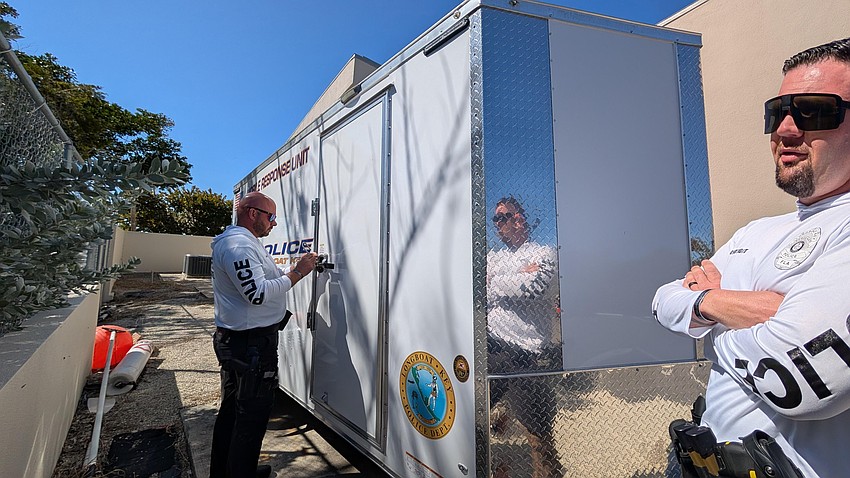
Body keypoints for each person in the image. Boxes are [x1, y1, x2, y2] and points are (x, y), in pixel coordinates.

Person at [653, 37, 850, 477]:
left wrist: (708, 318)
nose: (785, 130)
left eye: (815, 110)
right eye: (777, 112)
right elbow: (663, 300)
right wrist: (734, 307)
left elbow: (799, 379)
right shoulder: (755, 231)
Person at [209, 191, 317, 478]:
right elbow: (256, 294)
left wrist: (288, 270)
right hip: (249, 347)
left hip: (243, 344)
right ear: (252, 213)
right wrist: (298, 274)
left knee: (234, 413)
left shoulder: (246, 243)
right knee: (250, 417)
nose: (274, 223)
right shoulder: (237, 246)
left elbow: (262, 278)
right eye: (270, 217)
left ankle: (233, 470)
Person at [487, 196, 564, 478]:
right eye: (495, 218)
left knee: (538, 433)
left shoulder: (544, 253)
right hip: (493, 348)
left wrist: (498, 281)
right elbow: (480, 289)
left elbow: (536, 287)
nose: (496, 223)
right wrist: (516, 275)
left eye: (502, 217)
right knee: (475, 413)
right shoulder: (493, 257)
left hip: (527, 356)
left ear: (519, 219)